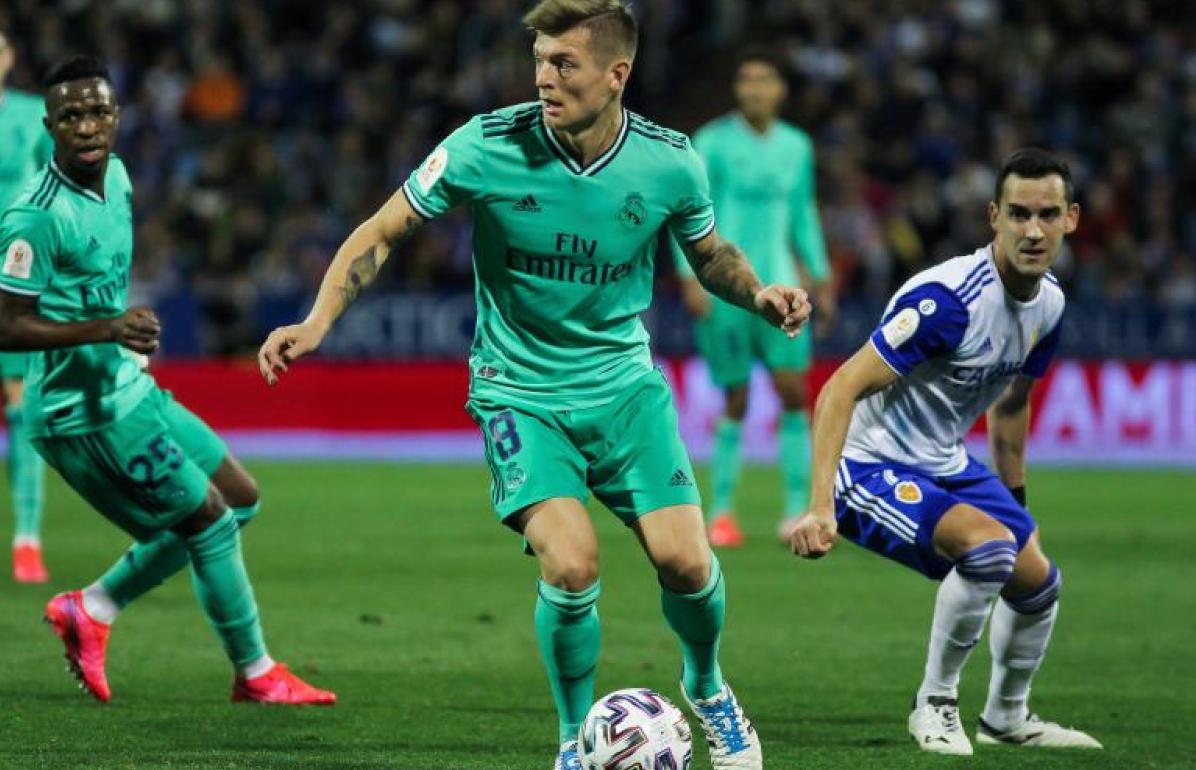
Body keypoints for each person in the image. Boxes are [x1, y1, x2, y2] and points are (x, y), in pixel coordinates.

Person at [259, 2, 811, 767]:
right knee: (573, 561)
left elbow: (709, 252)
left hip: (623, 389)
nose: (544, 78)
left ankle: (709, 690)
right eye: (541, 60)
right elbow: (383, 230)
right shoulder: (483, 145)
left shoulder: (671, 161)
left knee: (687, 563)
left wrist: (759, 293)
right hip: (518, 391)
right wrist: (318, 321)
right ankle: (572, 742)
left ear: (617, 75)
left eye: (564, 64)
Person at [0, 55, 335, 706]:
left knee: (239, 499)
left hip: (128, 389)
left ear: (117, 117)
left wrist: (117, 337)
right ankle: (257, 674)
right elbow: (6, 326)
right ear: (50, 127)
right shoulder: (33, 217)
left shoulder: (119, 177)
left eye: (98, 111)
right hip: (80, 411)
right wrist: (106, 329)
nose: (88, 125)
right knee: (207, 522)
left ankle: (92, 607)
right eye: (71, 116)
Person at [789, 148, 1102, 755]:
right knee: (987, 552)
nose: (1032, 230)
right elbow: (837, 390)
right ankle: (934, 705)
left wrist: (1019, 511)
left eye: (1047, 214)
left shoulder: (1051, 304)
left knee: (1038, 583)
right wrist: (820, 504)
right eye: (1018, 214)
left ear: (1072, 219)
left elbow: (1011, 408)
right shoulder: (948, 303)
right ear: (993, 216)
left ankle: (1006, 717)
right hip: (868, 461)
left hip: (944, 459)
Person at [675, 47, 835, 548]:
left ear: (780, 90)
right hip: (727, 290)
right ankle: (720, 512)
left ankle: (796, 510)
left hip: (785, 284)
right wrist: (688, 276)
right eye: (746, 80)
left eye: (764, 80)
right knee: (736, 399)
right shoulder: (712, 143)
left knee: (793, 393)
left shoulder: (797, 147)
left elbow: (803, 214)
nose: (754, 90)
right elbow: (686, 211)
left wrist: (822, 274)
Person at [0, 28, 52, 582]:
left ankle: (27, 538)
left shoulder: (32, 116)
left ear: (10, 58)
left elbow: (54, 192)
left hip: (11, 282)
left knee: (20, 408)